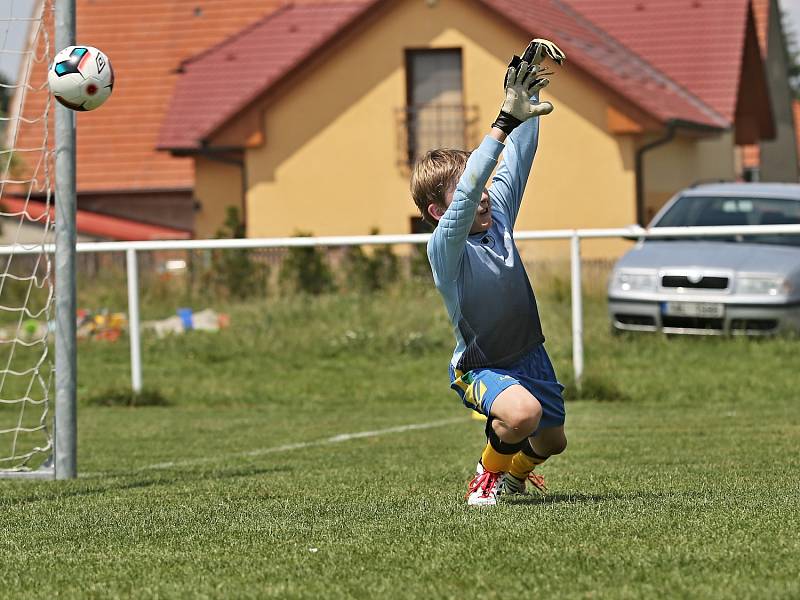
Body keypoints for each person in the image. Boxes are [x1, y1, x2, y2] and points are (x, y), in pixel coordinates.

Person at [410, 39, 568, 506]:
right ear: (439, 210)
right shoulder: (445, 246)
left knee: (551, 441)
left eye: (476, 187)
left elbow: (516, 160)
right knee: (521, 415)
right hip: (481, 364)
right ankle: (486, 476)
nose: (480, 197)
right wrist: (501, 121)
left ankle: (513, 474)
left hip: (530, 354)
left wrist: (525, 105)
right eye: (464, 192)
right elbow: (475, 184)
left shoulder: (496, 214)